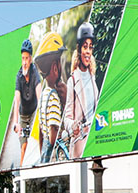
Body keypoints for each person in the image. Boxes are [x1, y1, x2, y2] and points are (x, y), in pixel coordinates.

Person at [64, 22, 99, 160]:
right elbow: (67, 117)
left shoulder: (93, 78)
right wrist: (72, 126)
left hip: (95, 140)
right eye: (85, 47)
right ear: (79, 49)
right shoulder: (72, 80)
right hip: (80, 144)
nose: (88, 51)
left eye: (90, 47)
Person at [34, 32, 68, 164]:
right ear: (55, 68)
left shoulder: (44, 95)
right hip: (54, 158)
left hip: (45, 155)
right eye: (59, 63)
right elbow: (53, 132)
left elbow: (41, 133)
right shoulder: (53, 96)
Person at [10, 38, 41, 166]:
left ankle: (41, 163)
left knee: (37, 138)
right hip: (23, 114)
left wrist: (41, 113)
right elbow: (17, 100)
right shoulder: (19, 76)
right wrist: (16, 123)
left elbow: (39, 94)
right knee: (24, 145)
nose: (24, 62)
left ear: (31, 59)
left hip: (33, 111)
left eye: (27, 58)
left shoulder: (34, 73)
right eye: (23, 58)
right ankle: (23, 170)